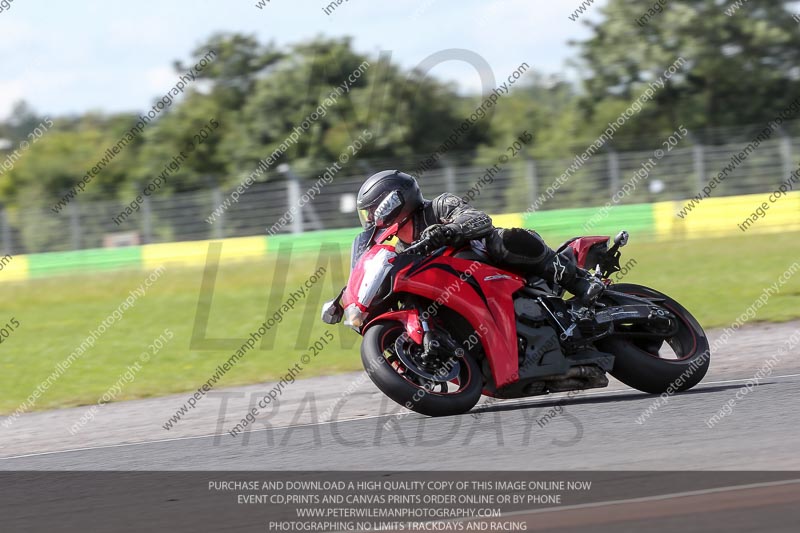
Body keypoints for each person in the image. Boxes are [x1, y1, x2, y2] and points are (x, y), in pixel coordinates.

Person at [321, 169, 602, 325]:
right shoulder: (400, 249)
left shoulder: (439, 206)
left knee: (503, 240)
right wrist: (350, 297)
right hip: (464, 291)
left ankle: (579, 281)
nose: (371, 219)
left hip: (495, 264)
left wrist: (448, 231)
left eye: (374, 210)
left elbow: (478, 219)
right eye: (367, 214)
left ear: (394, 202)